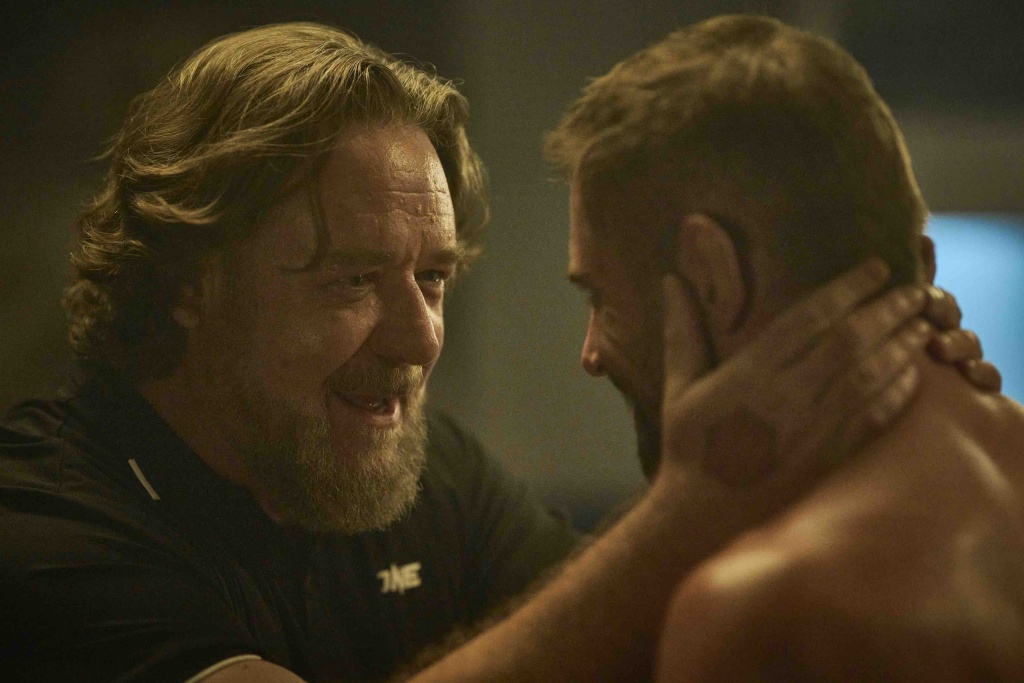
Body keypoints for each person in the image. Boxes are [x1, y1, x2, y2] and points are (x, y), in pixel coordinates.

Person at [0, 21, 997, 683]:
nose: (418, 335)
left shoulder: (429, 474)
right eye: (353, 278)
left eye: (433, 277)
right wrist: (698, 502)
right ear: (188, 281)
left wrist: (871, 415)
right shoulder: (41, 519)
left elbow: (620, 636)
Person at [545, 14, 1024, 681]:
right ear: (923, 264)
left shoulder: (765, 604)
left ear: (712, 276)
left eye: (600, 296)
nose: (591, 352)